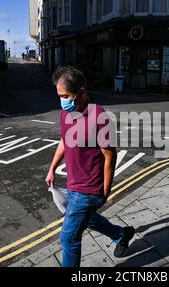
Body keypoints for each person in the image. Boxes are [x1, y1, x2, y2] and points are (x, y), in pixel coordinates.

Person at [46, 66, 135, 267]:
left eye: (66, 95)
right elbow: (63, 140)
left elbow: (109, 154)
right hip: (73, 183)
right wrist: (52, 168)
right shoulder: (66, 113)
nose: (63, 101)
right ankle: (121, 235)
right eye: (60, 95)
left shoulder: (99, 117)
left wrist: (105, 189)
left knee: (69, 238)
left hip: (88, 189)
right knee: (88, 220)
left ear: (82, 92)